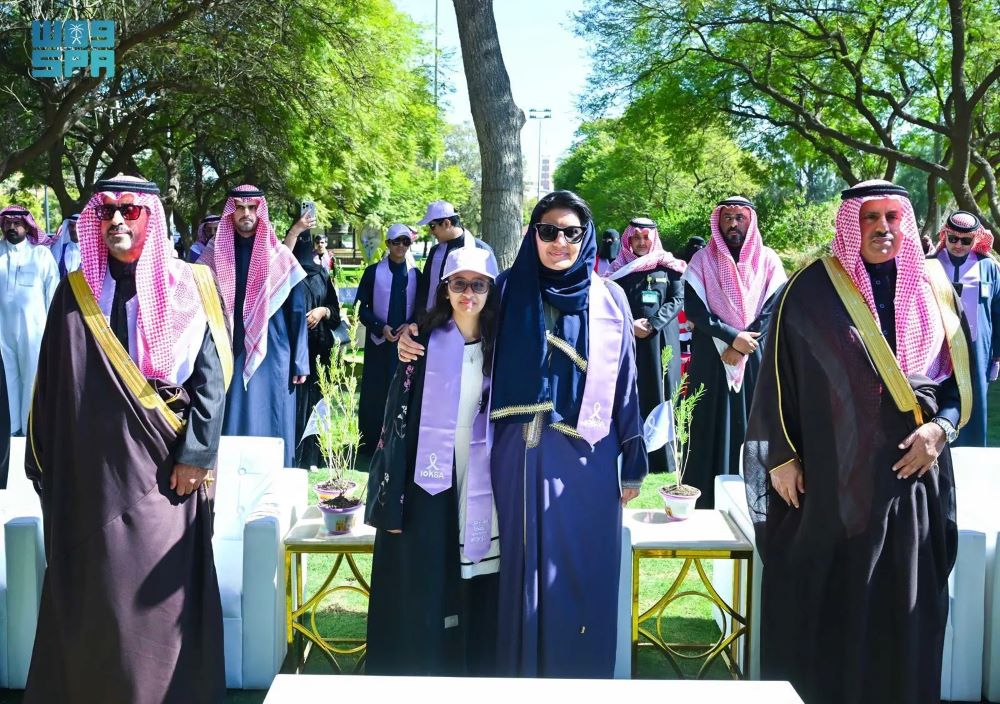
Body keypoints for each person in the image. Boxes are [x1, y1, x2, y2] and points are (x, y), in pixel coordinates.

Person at [399, 190, 648, 677]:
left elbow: (626, 384)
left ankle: (579, 678)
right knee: (519, 564)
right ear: (534, 234)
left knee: (580, 566)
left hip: (586, 459)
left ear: (585, 237)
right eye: (548, 231)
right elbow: (460, 322)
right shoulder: (509, 287)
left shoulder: (610, 298)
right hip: (516, 454)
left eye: (571, 232)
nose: (559, 242)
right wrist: (414, 334)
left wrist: (633, 462)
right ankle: (519, 678)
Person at [744, 180, 970, 704]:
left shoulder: (935, 288)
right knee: (836, 601)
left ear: (906, 222)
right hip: (833, 481)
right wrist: (781, 456)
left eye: (893, 217)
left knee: (905, 602)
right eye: (871, 218)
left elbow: (960, 387)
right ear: (852, 224)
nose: (883, 228)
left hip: (914, 474)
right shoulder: (810, 291)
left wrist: (941, 430)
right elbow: (775, 379)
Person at [24, 175, 232, 704]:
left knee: (156, 598)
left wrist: (198, 453)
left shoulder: (193, 284)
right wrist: (46, 464)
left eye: (130, 211)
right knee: (99, 596)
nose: (116, 220)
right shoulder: (75, 292)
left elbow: (212, 377)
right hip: (92, 478)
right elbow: (51, 384)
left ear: (152, 218)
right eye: (107, 212)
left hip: (167, 469)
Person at [366, 246, 501, 675]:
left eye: (478, 285)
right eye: (459, 284)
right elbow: (396, 418)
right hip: (430, 466)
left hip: (485, 469)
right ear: (444, 289)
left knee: (478, 570)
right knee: (432, 570)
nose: (468, 294)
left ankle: (475, 663)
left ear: (490, 290)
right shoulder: (421, 342)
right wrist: (390, 493)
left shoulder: (504, 341)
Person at [682, 197, 786, 507]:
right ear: (718, 222)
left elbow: (773, 308)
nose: (733, 224)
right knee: (709, 426)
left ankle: (756, 499)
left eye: (739, 217)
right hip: (710, 358)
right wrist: (731, 338)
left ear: (750, 221)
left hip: (754, 357)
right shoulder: (702, 260)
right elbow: (695, 310)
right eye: (727, 218)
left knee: (755, 425)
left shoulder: (768, 260)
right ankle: (704, 500)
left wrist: (742, 345)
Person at [199, 185, 309, 467]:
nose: (246, 213)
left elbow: (297, 309)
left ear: (261, 212)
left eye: (252, 207)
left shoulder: (279, 255)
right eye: (239, 207)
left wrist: (300, 360)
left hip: (274, 353)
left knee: (271, 420)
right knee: (230, 417)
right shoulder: (214, 254)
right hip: (228, 350)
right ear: (231, 212)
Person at [606, 217, 685, 472]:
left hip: (661, 341)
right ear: (629, 240)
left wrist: (653, 324)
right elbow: (609, 303)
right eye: (636, 238)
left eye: (645, 238)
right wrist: (631, 325)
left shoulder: (669, 267)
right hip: (629, 342)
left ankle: (663, 459)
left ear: (654, 239)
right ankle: (630, 450)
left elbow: (677, 299)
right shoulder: (618, 271)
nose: (641, 242)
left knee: (663, 392)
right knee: (631, 393)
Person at [934, 210, 1000, 446]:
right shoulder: (930, 264)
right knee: (937, 402)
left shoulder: (988, 267)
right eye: (953, 239)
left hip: (977, 351)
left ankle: (973, 455)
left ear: (975, 240)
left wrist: (997, 356)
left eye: (966, 240)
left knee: (975, 404)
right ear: (945, 236)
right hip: (939, 350)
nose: (958, 245)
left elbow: (997, 314)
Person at [356, 224, 419, 454]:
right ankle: (371, 444)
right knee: (376, 393)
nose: (401, 246)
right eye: (396, 242)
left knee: (403, 389)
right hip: (379, 344)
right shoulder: (373, 272)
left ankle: (398, 442)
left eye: (406, 242)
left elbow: (422, 308)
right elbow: (361, 308)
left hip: (405, 344)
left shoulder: (416, 274)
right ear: (388, 243)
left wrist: (410, 324)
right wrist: (380, 327)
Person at [0, 205, 59, 435]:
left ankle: (29, 429)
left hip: (34, 331)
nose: (12, 227)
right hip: (2, 331)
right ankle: (11, 426)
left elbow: (53, 294)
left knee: (32, 378)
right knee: (6, 378)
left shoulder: (41, 255)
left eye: (17, 223)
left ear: (27, 226)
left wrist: (53, 331)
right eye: (7, 223)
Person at [290, 232, 342, 468]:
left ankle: (314, 455)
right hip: (293, 351)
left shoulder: (322, 274)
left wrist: (323, 311)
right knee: (296, 403)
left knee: (317, 401)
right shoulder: (286, 275)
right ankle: (294, 455)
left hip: (319, 349)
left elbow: (335, 313)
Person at [416, 200, 497, 310]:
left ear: (446, 223)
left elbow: (493, 289)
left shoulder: (481, 249)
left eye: (432, 226)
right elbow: (425, 287)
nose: (431, 232)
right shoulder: (435, 251)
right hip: (434, 316)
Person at [49, 213, 81, 278]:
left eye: (78, 226)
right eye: (71, 225)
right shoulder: (58, 249)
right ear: (68, 227)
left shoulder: (91, 254)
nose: (74, 229)